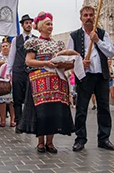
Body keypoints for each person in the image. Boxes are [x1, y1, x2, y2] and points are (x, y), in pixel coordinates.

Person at [17, 11, 74, 153]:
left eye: (51, 24)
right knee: (40, 111)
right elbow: (29, 61)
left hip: (56, 81)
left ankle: (50, 142)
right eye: (48, 24)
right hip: (40, 81)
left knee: (53, 111)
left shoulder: (58, 44)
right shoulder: (34, 42)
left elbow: (63, 62)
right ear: (41, 27)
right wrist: (46, 63)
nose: (50, 26)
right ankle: (41, 142)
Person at [67, 5, 114, 152]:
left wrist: (97, 41)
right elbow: (69, 57)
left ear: (95, 17)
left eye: (91, 15)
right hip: (84, 77)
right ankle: (80, 139)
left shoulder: (102, 34)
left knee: (104, 108)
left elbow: (111, 53)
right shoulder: (74, 36)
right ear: (81, 18)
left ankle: (104, 138)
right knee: (82, 109)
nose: (88, 18)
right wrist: (80, 62)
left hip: (101, 75)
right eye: (85, 15)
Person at [5, 14, 36, 129]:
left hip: (31, 71)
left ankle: (29, 121)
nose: (28, 25)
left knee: (30, 96)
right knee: (17, 97)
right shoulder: (16, 40)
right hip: (18, 70)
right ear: (22, 25)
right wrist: (9, 71)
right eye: (26, 23)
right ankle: (18, 122)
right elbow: (11, 55)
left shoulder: (36, 39)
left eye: (29, 23)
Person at [0, 41, 15, 127]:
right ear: (0, 48)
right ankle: (2, 120)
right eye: (3, 46)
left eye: (7, 46)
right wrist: (7, 62)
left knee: (12, 101)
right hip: (1, 79)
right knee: (1, 101)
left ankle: (13, 120)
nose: (5, 47)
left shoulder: (13, 55)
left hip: (12, 79)